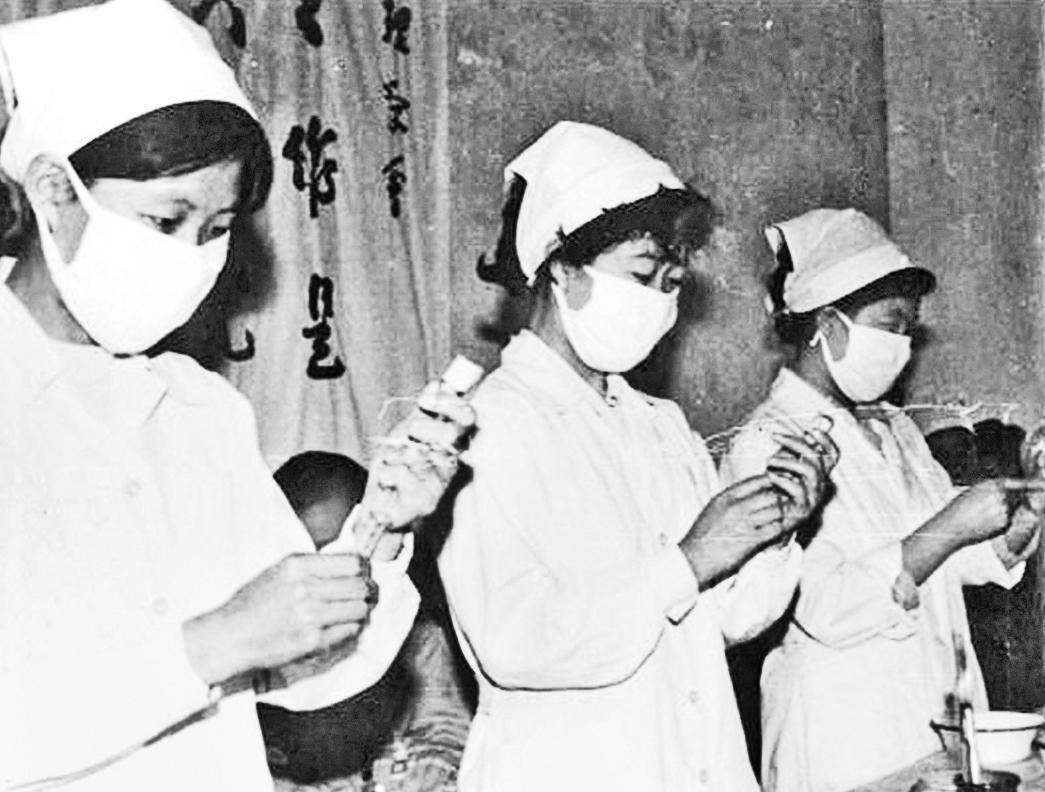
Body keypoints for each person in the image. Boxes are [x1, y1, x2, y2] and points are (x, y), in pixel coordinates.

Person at [0, 2, 473, 791]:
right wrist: (213, 644)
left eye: (215, 228)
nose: (191, 257)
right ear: (53, 189)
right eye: (166, 219)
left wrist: (381, 531)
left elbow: (307, 677)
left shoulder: (200, 412)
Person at [437, 121, 839, 792]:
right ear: (560, 267)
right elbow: (514, 640)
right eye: (642, 275)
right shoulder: (490, 424)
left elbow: (723, 620)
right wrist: (685, 562)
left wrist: (774, 533)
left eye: (672, 282)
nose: (659, 303)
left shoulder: (659, 426)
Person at [720, 207, 1045, 792]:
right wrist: (952, 527)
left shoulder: (894, 428)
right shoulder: (769, 441)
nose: (903, 346)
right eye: (891, 324)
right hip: (843, 740)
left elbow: (952, 558)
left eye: (909, 330)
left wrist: (1020, 521)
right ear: (827, 321)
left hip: (932, 719)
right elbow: (824, 606)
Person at [261, 451, 471, 791]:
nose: (328, 571)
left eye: (342, 551)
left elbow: (446, 743)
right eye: (305, 555)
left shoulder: (420, 644)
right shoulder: (253, 656)